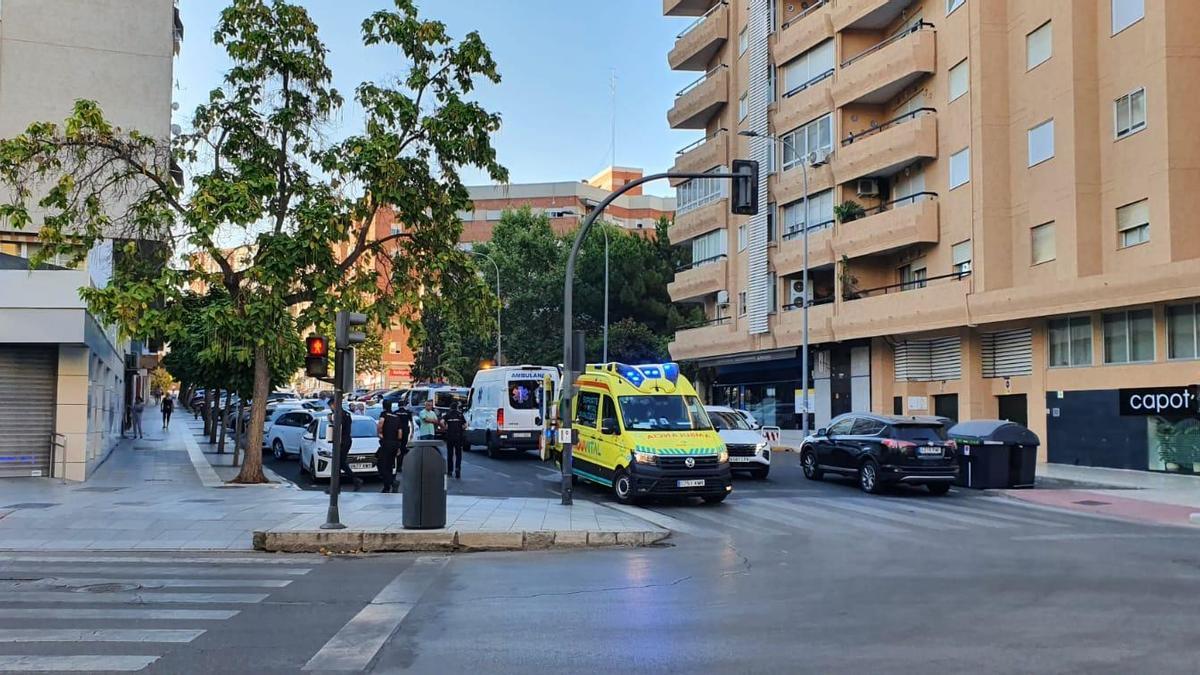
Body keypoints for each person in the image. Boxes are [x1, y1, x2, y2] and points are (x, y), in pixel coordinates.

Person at [376, 400, 408, 493]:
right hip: (395, 443)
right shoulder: (396, 417)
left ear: (383, 406)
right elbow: (400, 433)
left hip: (387, 442)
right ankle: (387, 487)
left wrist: (380, 433)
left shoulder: (384, 414)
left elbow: (380, 424)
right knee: (389, 465)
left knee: (381, 465)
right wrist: (398, 444)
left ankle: (392, 482)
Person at [331, 407, 363, 493]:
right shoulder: (346, 414)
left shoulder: (340, 414)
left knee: (339, 463)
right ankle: (337, 487)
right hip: (346, 440)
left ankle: (354, 480)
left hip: (342, 441)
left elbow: (338, 427)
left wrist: (331, 420)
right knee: (339, 463)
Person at [442, 401, 467, 479]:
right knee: (458, 454)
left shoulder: (447, 415)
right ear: (457, 407)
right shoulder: (460, 415)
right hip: (458, 437)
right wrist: (462, 428)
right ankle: (457, 469)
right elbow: (465, 424)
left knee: (450, 454)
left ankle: (450, 470)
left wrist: (446, 428)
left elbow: (442, 422)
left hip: (450, 437)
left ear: (450, 407)